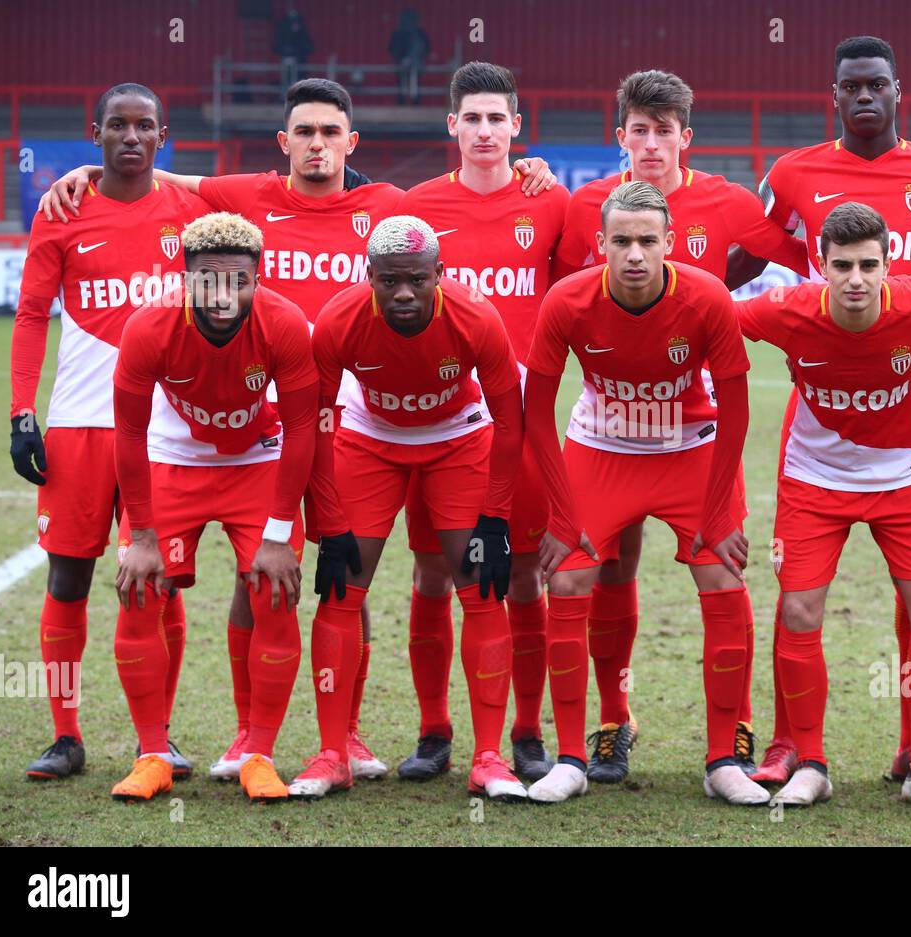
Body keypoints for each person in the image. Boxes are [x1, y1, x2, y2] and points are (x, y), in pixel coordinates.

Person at [37, 78, 555, 782]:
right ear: (285, 142)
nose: (317, 144)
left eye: (330, 132)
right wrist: (92, 169)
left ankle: (359, 735)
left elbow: (471, 189)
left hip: (339, 424)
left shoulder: (392, 210)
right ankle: (251, 736)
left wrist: (528, 167)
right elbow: (148, 164)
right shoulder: (246, 201)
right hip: (287, 424)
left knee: (372, 575)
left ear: (351, 142)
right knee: (299, 579)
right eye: (304, 132)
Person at [727, 35, 911, 786]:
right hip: (823, 398)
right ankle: (790, 744)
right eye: (852, 86)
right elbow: (739, 262)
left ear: (898, 89)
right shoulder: (792, 172)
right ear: (834, 94)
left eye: (878, 83)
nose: (865, 96)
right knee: (801, 603)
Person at [552, 69, 808, 782]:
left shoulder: (724, 200)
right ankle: (612, 717)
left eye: (665, 130)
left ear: (684, 137)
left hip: (690, 432)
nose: (652, 143)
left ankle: (735, 727)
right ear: (620, 138)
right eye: (640, 129)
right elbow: (544, 278)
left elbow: (805, 252)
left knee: (721, 568)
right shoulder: (582, 208)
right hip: (605, 431)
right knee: (608, 569)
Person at [524, 181, 762, 806]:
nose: (634, 254)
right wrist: (559, 510)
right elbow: (535, 412)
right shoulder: (567, 301)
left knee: (722, 575)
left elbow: (737, 412)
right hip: (603, 446)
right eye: (621, 241)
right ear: (599, 244)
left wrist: (718, 512)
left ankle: (723, 755)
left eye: (647, 241)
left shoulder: (707, 298)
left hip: (691, 447)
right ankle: (574, 756)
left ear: (670, 244)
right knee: (571, 578)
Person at [735, 202, 911, 809]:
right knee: (798, 611)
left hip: (905, 478)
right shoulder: (785, 311)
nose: (857, 279)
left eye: (870, 265)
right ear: (820, 265)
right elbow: (712, 314)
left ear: (889, 264)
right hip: (814, 481)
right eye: (843, 266)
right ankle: (811, 761)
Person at [11, 83, 209, 782]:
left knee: (158, 587)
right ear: (94, 132)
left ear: (164, 136)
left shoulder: (192, 209)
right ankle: (66, 737)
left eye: (144, 125)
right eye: (117, 125)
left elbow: (305, 191)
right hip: (81, 426)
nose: (131, 136)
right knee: (68, 576)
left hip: (166, 432)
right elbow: (33, 314)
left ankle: (159, 738)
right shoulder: (63, 209)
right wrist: (21, 412)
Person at [296, 215, 526, 800]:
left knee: (481, 587)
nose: (404, 293)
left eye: (417, 281)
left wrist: (496, 518)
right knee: (341, 588)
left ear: (439, 276)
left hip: (458, 439)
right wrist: (327, 515)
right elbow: (317, 424)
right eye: (391, 280)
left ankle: (490, 758)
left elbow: (510, 422)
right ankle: (332, 754)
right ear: (368, 275)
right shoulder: (338, 321)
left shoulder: (476, 317)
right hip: (369, 438)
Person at [392, 61, 570, 783]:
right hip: (432, 421)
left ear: (517, 126)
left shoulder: (550, 202)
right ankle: (434, 730)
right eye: (474, 118)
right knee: (432, 570)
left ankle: (526, 731)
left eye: (499, 118)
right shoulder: (417, 208)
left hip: (515, 421)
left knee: (519, 573)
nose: (487, 131)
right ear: (453, 126)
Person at [109, 212, 319, 804]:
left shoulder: (284, 323)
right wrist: (142, 535)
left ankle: (258, 753)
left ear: (260, 277)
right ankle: (152, 753)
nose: (223, 296)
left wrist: (279, 535)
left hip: (257, 465)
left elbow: (303, 428)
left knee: (275, 594)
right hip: (173, 464)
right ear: (185, 279)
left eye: (239, 281)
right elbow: (127, 433)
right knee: (140, 591)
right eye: (208, 281)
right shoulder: (149, 326)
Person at [389, 9, 430, 105]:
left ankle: (412, 102)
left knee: (413, 83)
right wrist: (400, 58)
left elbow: (426, 48)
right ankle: (404, 101)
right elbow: (393, 48)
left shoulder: (418, 34)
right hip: (405, 62)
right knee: (405, 83)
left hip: (415, 63)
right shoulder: (400, 33)